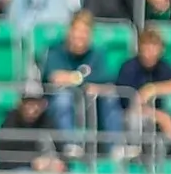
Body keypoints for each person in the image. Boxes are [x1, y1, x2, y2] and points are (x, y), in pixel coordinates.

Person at [42, 9, 121, 140]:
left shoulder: (97, 53)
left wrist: (73, 79)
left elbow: (108, 80)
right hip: (58, 102)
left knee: (110, 97)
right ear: (69, 31)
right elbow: (56, 77)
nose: (80, 36)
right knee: (63, 98)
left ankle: (115, 148)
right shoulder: (56, 50)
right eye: (77, 31)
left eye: (84, 32)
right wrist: (83, 81)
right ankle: (70, 146)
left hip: (92, 102)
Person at [113, 27, 171, 148]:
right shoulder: (129, 68)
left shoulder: (163, 66)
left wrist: (154, 88)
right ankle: (136, 156)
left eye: (154, 47)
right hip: (133, 114)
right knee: (136, 121)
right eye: (146, 47)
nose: (150, 52)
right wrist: (160, 117)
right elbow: (132, 105)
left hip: (159, 112)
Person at [0, 82, 64, 171]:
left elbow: (61, 147)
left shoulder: (47, 119)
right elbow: (4, 157)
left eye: (36, 103)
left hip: (40, 170)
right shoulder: (10, 121)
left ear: (43, 104)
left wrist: (58, 162)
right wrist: (32, 163)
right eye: (28, 102)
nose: (32, 108)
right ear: (20, 104)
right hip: (12, 171)